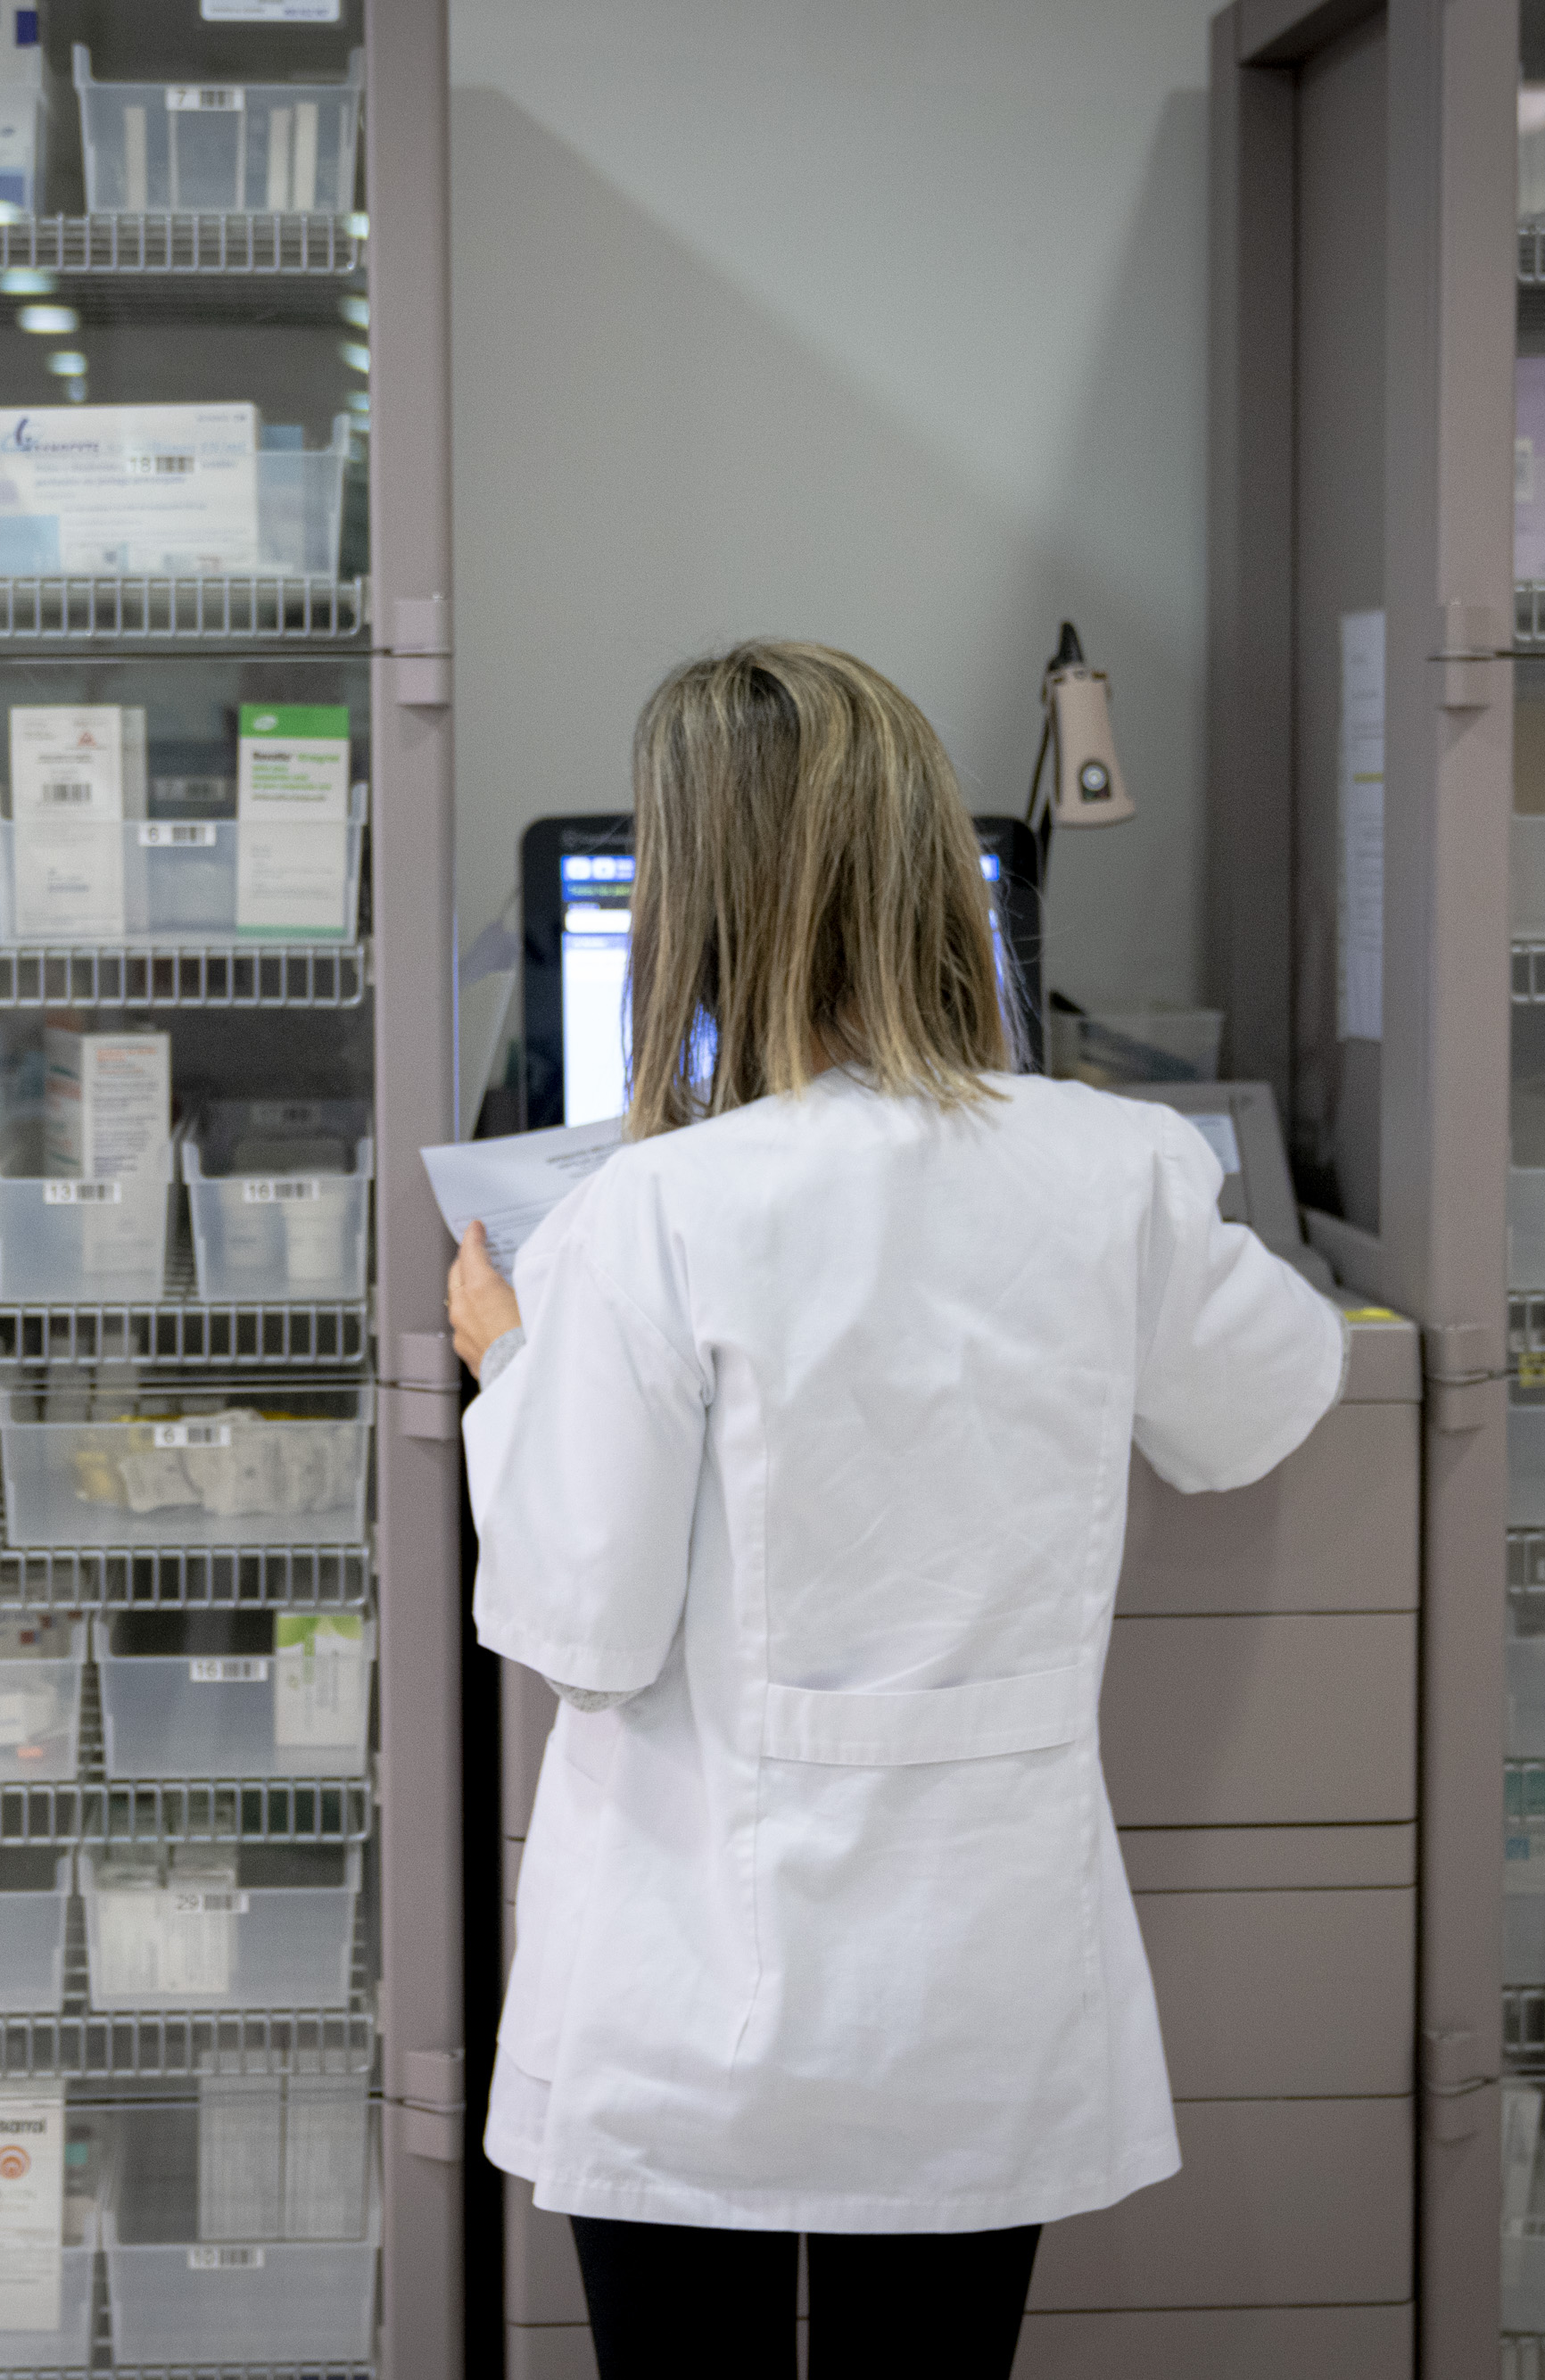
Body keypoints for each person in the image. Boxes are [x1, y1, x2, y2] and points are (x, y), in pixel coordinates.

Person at [449, 639, 1344, 2379]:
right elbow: (1261, 1398)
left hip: (695, 1980)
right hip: (972, 1983)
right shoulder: (1112, 1166)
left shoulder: (642, 1215)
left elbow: (585, 1622)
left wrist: (513, 1365)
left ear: (702, 905)